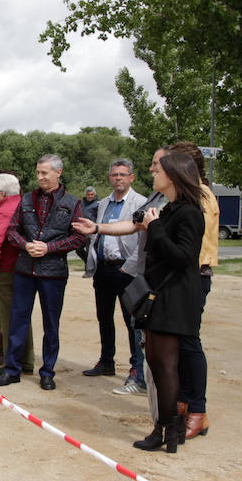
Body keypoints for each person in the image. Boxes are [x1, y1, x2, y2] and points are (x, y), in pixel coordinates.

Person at [130, 153, 204, 454]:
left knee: (166, 365)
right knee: (157, 363)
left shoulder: (189, 212)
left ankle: (166, 429)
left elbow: (183, 257)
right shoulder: (170, 208)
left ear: (172, 175)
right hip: (160, 294)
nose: (152, 172)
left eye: (157, 169)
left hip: (175, 297)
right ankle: (168, 428)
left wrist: (155, 227)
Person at [0, 154, 87, 390]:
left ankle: (47, 372)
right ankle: (12, 370)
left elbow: (79, 237)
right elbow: (11, 231)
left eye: (44, 173)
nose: (40, 177)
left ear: (58, 173)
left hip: (53, 273)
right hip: (25, 269)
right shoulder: (26, 199)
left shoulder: (73, 203)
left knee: (51, 324)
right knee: (18, 320)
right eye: (38, 172)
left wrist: (49, 248)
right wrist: (25, 245)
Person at [81, 159, 148, 395]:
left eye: (122, 174)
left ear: (132, 177)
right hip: (103, 270)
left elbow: (142, 241)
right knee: (104, 317)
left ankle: (136, 368)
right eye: (114, 175)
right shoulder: (103, 204)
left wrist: (128, 267)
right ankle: (106, 361)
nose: (118, 178)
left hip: (126, 271)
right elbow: (97, 233)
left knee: (133, 323)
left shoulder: (141, 203)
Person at [168, 141, 217, 439]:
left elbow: (190, 246)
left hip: (194, 277)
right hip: (184, 277)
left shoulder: (201, 197)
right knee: (181, 344)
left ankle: (198, 411)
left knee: (189, 343)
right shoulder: (191, 195)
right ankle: (185, 402)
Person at [0, 173, 35, 377]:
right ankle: (26, 360)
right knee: (21, 317)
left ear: (2, 193)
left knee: (7, 319)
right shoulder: (22, 205)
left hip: (4, 271)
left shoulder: (5, 211)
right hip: (21, 268)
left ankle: (11, 362)